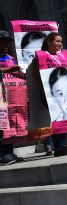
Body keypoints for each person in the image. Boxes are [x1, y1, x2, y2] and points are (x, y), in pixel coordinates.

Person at [30, 32, 67, 157]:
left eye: (61, 41)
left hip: (64, 94)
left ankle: (63, 145)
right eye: (57, 41)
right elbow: (35, 74)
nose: (60, 44)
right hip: (49, 94)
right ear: (49, 42)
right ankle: (60, 146)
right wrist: (42, 89)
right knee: (56, 117)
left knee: (64, 116)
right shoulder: (41, 56)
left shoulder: (62, 56)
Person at [0, 30, 23, 165]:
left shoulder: (10, 58)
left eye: (7, 42)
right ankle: (3, 155)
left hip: (11, 96)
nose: (6, 44)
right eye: (3, 41)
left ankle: (9, 152)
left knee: (9, 125)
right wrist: (7, 70)